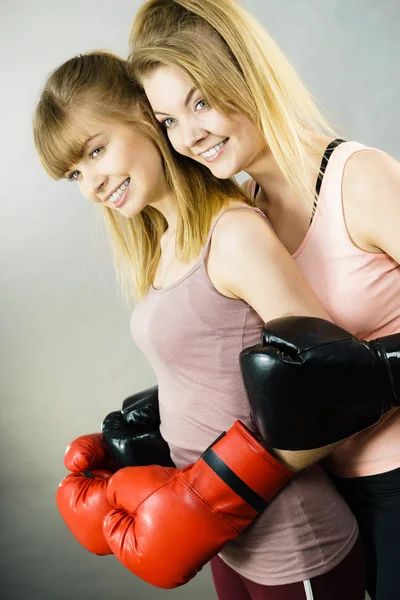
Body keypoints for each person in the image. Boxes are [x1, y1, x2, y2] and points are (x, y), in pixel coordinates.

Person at [33, 51, 367, 598]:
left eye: (96, 151)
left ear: (146, 120)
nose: (90, 184)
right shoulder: (162, 245)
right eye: (74, 172)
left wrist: (209, 495)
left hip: (293, 541)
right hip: (225, 541)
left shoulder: (233, 233)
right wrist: (145, 453)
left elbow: (334, 386)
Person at [128, 1, 400, 598]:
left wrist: (384, 368)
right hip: (322, 493)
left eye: (199, 101)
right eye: (168, 120)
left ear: (245, 75)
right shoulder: (244, 217)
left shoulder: (362, 179)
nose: (188, 135)